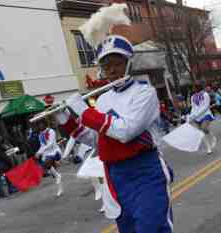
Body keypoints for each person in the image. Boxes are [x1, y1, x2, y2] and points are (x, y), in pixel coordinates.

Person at [62, 34, 174, 233]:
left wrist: (85, 111)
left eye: (117, 63)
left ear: (128, 63)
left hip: (145, 171)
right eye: (106, 66)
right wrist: (66, 121)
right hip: (116, 176)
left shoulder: (144, 92)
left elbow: (125, 131)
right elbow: (98, 140)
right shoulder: (103, 99)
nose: (112, 70)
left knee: (152, 228)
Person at [35, 119, 63, 197]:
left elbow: (50, 143)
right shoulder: (40, 134)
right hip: (46, 154)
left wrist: (40, 152)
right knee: (49, 167)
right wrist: (38, 152)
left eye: (41, 124)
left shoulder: (51, 131)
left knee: (46, 163)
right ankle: (57, 176)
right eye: (39, 124)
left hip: (55, 152)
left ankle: (55, 174)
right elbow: (42, 145)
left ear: (44, 124)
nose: (40, 126)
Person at [188, 83, 216, 154]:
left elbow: (206, 106)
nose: (193, 89)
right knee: (200, 133)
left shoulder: (205, 94)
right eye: (193, 88)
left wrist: (197, 114)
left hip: (206, 114)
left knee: (204, 128)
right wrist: (191, 116)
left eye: (194, 87)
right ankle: (208, 147)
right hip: (196, 117)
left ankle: (212, 137)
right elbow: (193, 107)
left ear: (198, 87)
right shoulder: (192, 97)